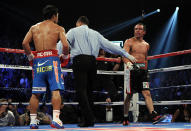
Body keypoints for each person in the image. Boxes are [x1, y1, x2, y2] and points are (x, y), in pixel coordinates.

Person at [57, 16, 136, 127]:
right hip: (92, 62)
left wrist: (53, 55)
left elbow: (62, 44)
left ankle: (88, 118)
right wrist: (126, 54)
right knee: (89, 91)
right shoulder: (96, 33)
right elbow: (110, 45)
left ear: (78, 23)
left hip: (80, 61)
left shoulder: (73, 31)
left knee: (81, 90)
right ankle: (90, 120)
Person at [22, 5, 69, 129]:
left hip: (38, 61)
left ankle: (32, 121)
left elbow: (24, 43)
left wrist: (31, 57)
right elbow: (65, 45)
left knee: (35, 93)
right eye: (57, 15)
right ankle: (56, 120)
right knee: (55, 90)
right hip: (52, 60)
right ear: (54, 15)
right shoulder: (59, 28)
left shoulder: (34, 28)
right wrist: (64, 57)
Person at [122, 23, 166, 125]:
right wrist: (129, 63)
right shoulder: (129, 41)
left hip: (142, 73)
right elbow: (124, 55)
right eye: (136, 29)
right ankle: (125, 117)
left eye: (140, 29)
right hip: (131, 72)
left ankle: (153, 115)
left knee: (147, 93)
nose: (137, 31)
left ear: (144, 32)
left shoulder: (146, 45)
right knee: (129, 95)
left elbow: (145, 59)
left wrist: (145, 71)